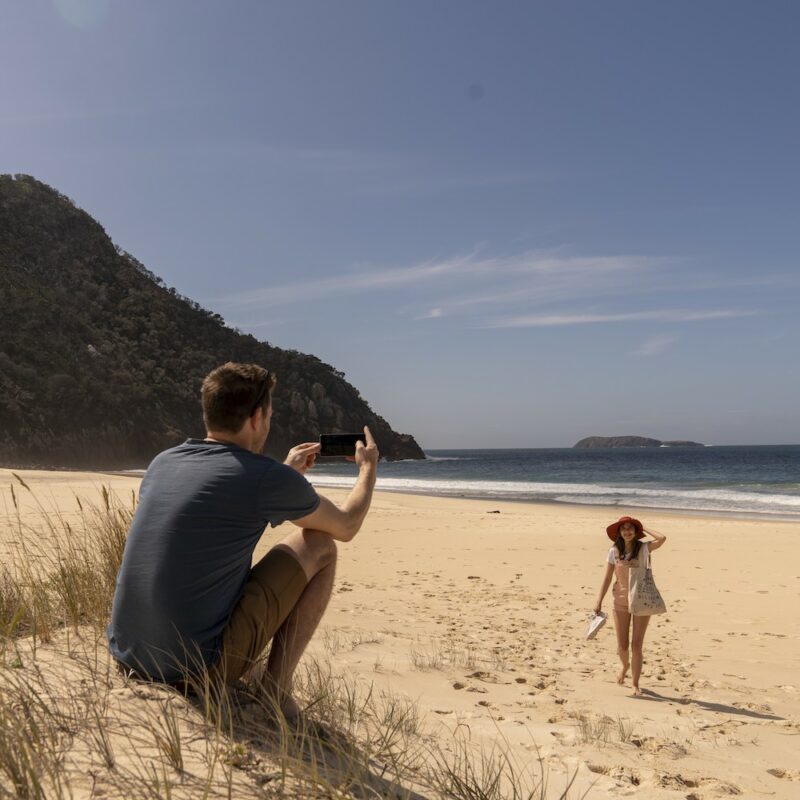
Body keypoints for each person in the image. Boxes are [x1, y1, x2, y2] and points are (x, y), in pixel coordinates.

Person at [107, 362, 378, 719]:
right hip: (195, 672)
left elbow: (226, 502)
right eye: (269, 413)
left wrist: (284, 470)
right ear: (255, 417)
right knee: (320, 546)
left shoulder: (163, 462)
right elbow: (346, 526)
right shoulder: (263, 479)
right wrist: (368, 468)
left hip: (128, 655)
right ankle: (274, 694)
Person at [593, 515, 666, 696]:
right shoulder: (613, 551)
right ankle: (625, 666)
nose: (627, 531)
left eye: (630, 528)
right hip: (620, 601)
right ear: (619, 532)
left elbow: (662, 538)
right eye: (623, 528)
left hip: (641, 599)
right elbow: (608, 577)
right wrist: (599, 600)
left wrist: (643, 526)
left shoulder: (643, 548)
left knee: (636, 645)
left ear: (635, 532)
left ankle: (635, 684)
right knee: (623, 646)